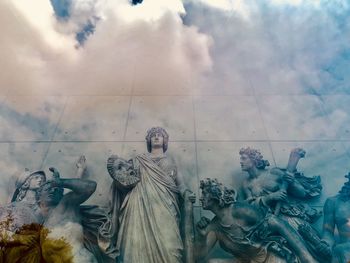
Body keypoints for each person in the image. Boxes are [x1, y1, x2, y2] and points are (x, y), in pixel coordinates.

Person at [104, 127, 195, 263]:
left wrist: (186, 193)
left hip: (166, 205)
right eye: (153, 135)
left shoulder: (172, 162)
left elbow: (180, 184)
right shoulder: (138, 160)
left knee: (171, 247)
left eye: (160, 135)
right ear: (149, 140)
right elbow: (124, 181)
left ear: (165, 141)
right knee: (135, 243)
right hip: (138, 205)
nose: (157, 137)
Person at [196, 178, 317, 263]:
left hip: (269, 257)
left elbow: (275, 222)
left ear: (216, 195)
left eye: (205, 194)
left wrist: (306, 256)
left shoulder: (240, 210)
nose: (201, 198)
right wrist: (202, 236)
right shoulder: (214, 226)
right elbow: (200, 256)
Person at [321, 172, 350, 263]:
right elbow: (328, 232)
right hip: (345, 252)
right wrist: (326, 243)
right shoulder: (333, 202)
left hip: (344, 250)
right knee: (340, 250)